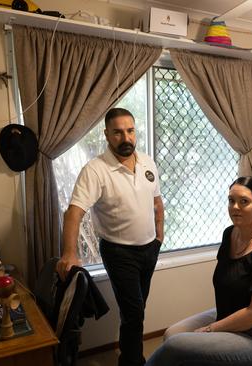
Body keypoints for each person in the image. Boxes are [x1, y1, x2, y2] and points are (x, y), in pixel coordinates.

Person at [56, 107, 165, 366]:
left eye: (130, 131)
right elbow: (73, 213)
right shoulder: (96, 170)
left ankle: (129, 356)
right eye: (117, 132)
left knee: (135, 311)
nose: (125, 138)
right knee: (134, 312)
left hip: (149, 249)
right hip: (119, 252)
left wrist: (159, 234)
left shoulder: (147, 162)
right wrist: (70, 253)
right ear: (106, 134)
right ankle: (132, 361)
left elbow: (157, 201)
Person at [146, 176, 252, 366]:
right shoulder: (230, 234)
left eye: (244, 201)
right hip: (228, 315)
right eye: (231, 201)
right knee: (172, 333)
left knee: (175, 346)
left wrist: (210, 329)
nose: (235, 207)